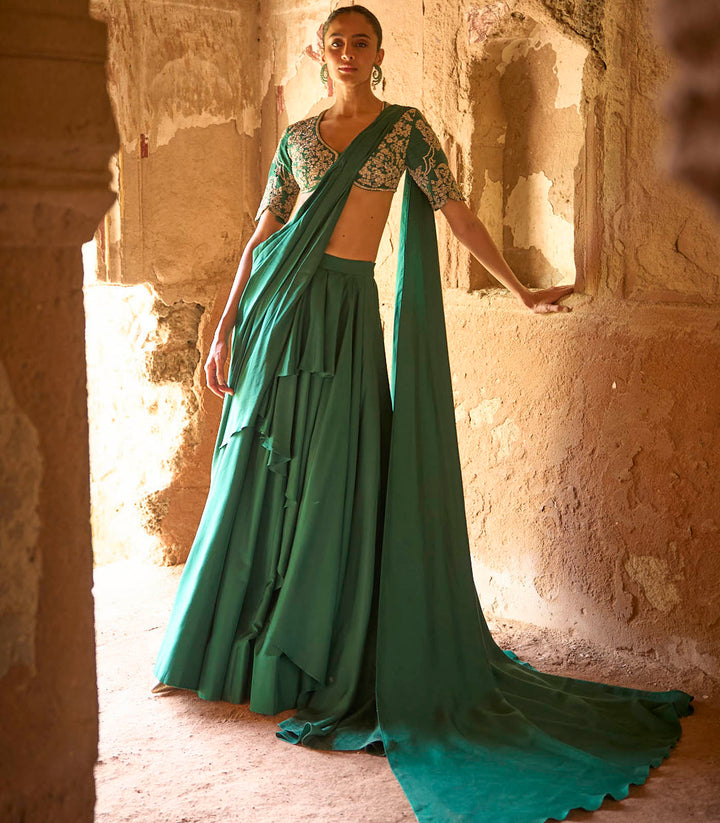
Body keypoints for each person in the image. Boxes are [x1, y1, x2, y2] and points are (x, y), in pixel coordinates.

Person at [152, 7, 693, 822]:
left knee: (334, 478)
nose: (345, 52)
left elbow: (459, 214)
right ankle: (233, 651)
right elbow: (261, 235)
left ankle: (315, 653)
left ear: (378, 52)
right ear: (319, 51)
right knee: (262, 472)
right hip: (279, 316)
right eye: (333, 41)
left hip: (346, 314)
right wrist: (226, 325)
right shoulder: (298, 139)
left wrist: (517, 286)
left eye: (359, 41)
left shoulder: (405, 131)